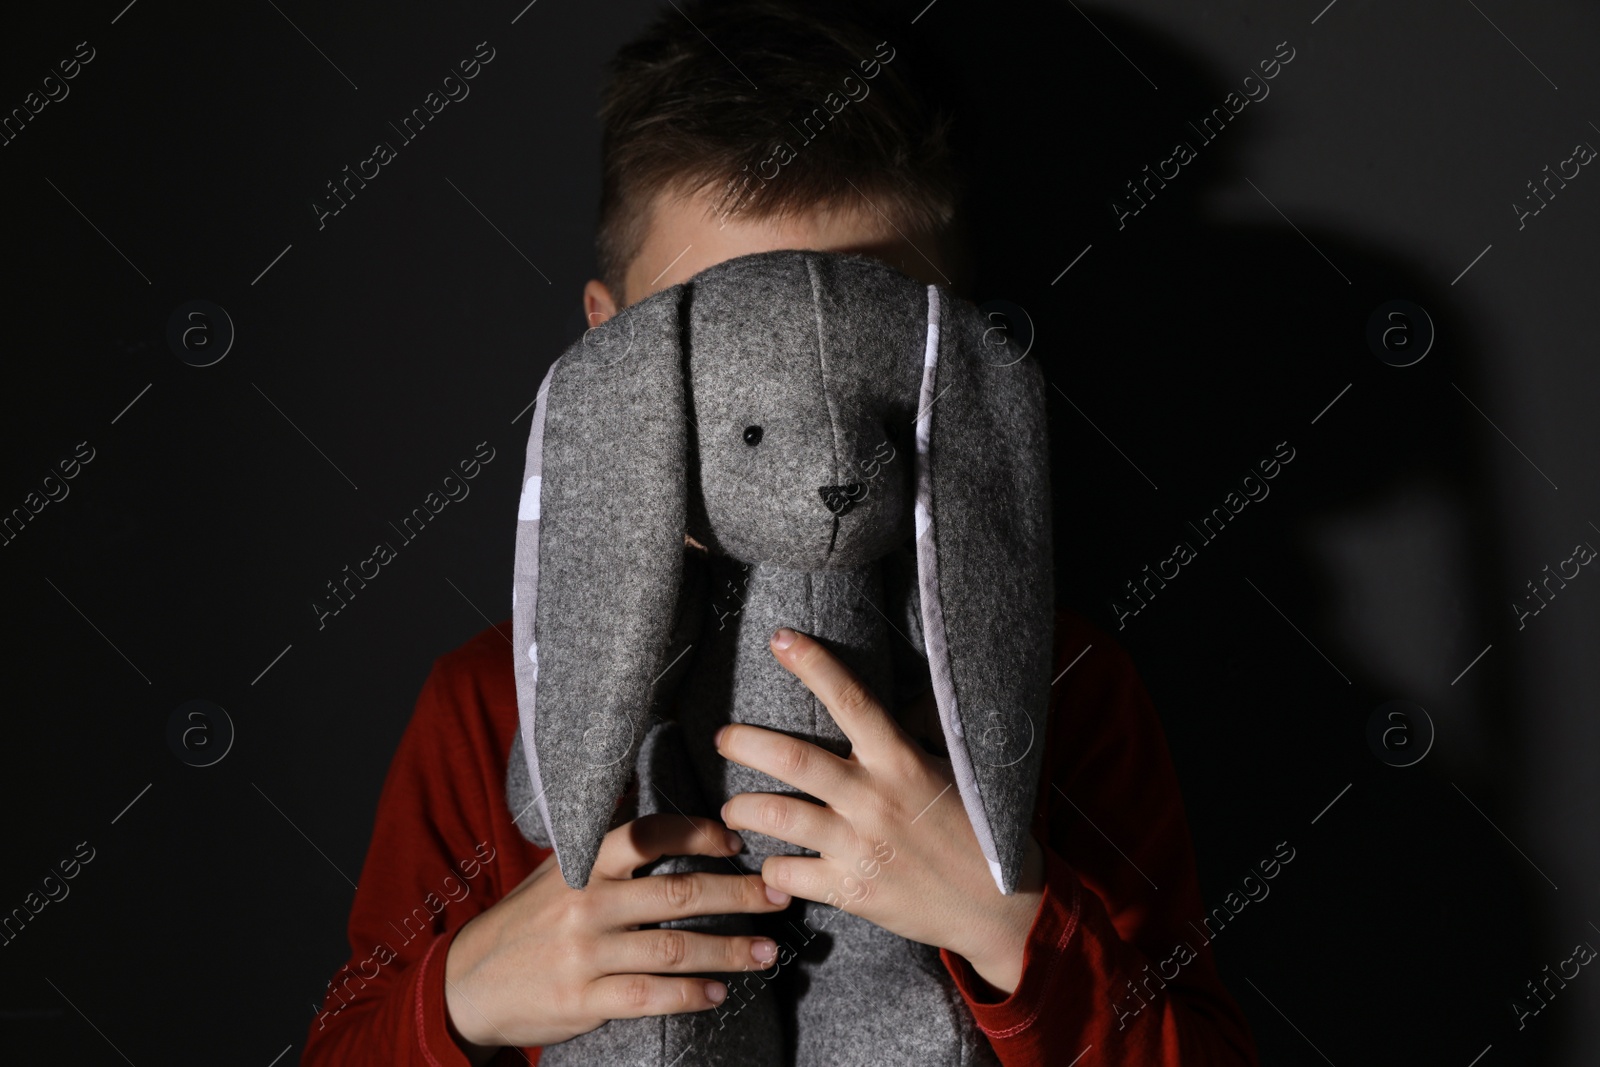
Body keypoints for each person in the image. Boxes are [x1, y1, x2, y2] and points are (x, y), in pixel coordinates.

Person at [301, 3, 1260, 1064]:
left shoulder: (1063, 692)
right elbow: (344, 1039)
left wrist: (1012, 923)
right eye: (720, 336)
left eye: (866, 338)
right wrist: (465, 993)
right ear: (608, 355)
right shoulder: (491, 701)